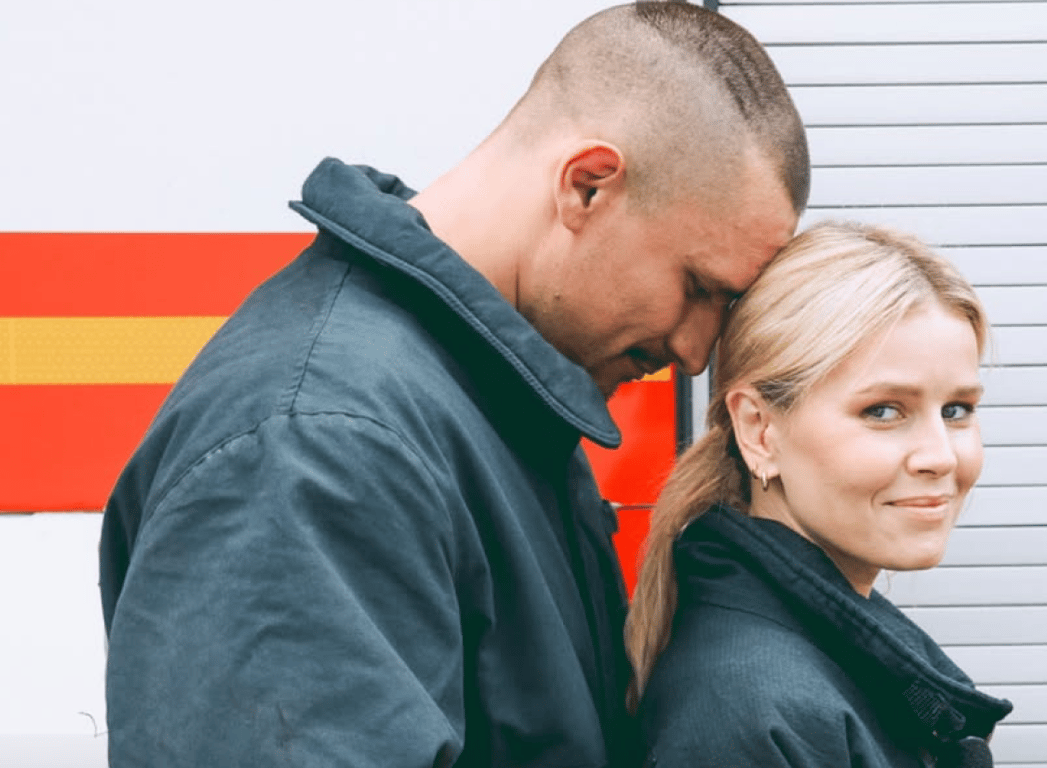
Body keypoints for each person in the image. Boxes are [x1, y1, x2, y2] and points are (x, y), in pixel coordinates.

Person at [98, 3, 808, 766]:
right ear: (588, 186)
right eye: (698, 287)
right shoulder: (321, 447)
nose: (697, 352)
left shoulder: (487, 402)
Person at [626, 221, 1014, 768]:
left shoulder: (812, 671)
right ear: (759, 430)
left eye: (957, 410)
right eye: (883, 411)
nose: (941, 457)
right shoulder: (754, 718)